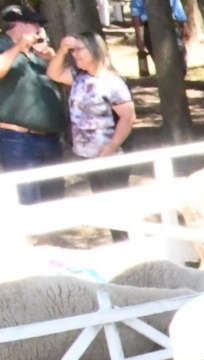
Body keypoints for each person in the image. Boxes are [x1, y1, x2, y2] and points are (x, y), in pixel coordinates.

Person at [45, 30, 133, 214]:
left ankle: (125, 239)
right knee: (103, 204)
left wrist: (112, 146)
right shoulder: (79, 76)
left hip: (110, 156)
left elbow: (128, 117)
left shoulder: (112, 82)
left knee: (117, 206)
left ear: (94, 50)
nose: (74, 54)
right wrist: (61, 50)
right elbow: (53, 73)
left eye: (79, 50)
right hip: (88, 156)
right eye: (73, 51)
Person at [0, 3, 67, 204]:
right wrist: (18, 48)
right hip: (17, 139)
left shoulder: (41, 51)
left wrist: (53, 57)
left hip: (51, 137)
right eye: (35, 25)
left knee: (54, 196)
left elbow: (62, 78)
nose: (39, 29)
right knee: (26, 198)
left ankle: (48, 236)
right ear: (19, 25)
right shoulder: (3, 46)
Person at [131, 0, 190, 78]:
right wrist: (139, 36)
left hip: (171, 24)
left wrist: (183, 25)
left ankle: (178, 82)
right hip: (151, 27)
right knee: (163, 65)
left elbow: (176, 5)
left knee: (181, 59)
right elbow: (136, 12)